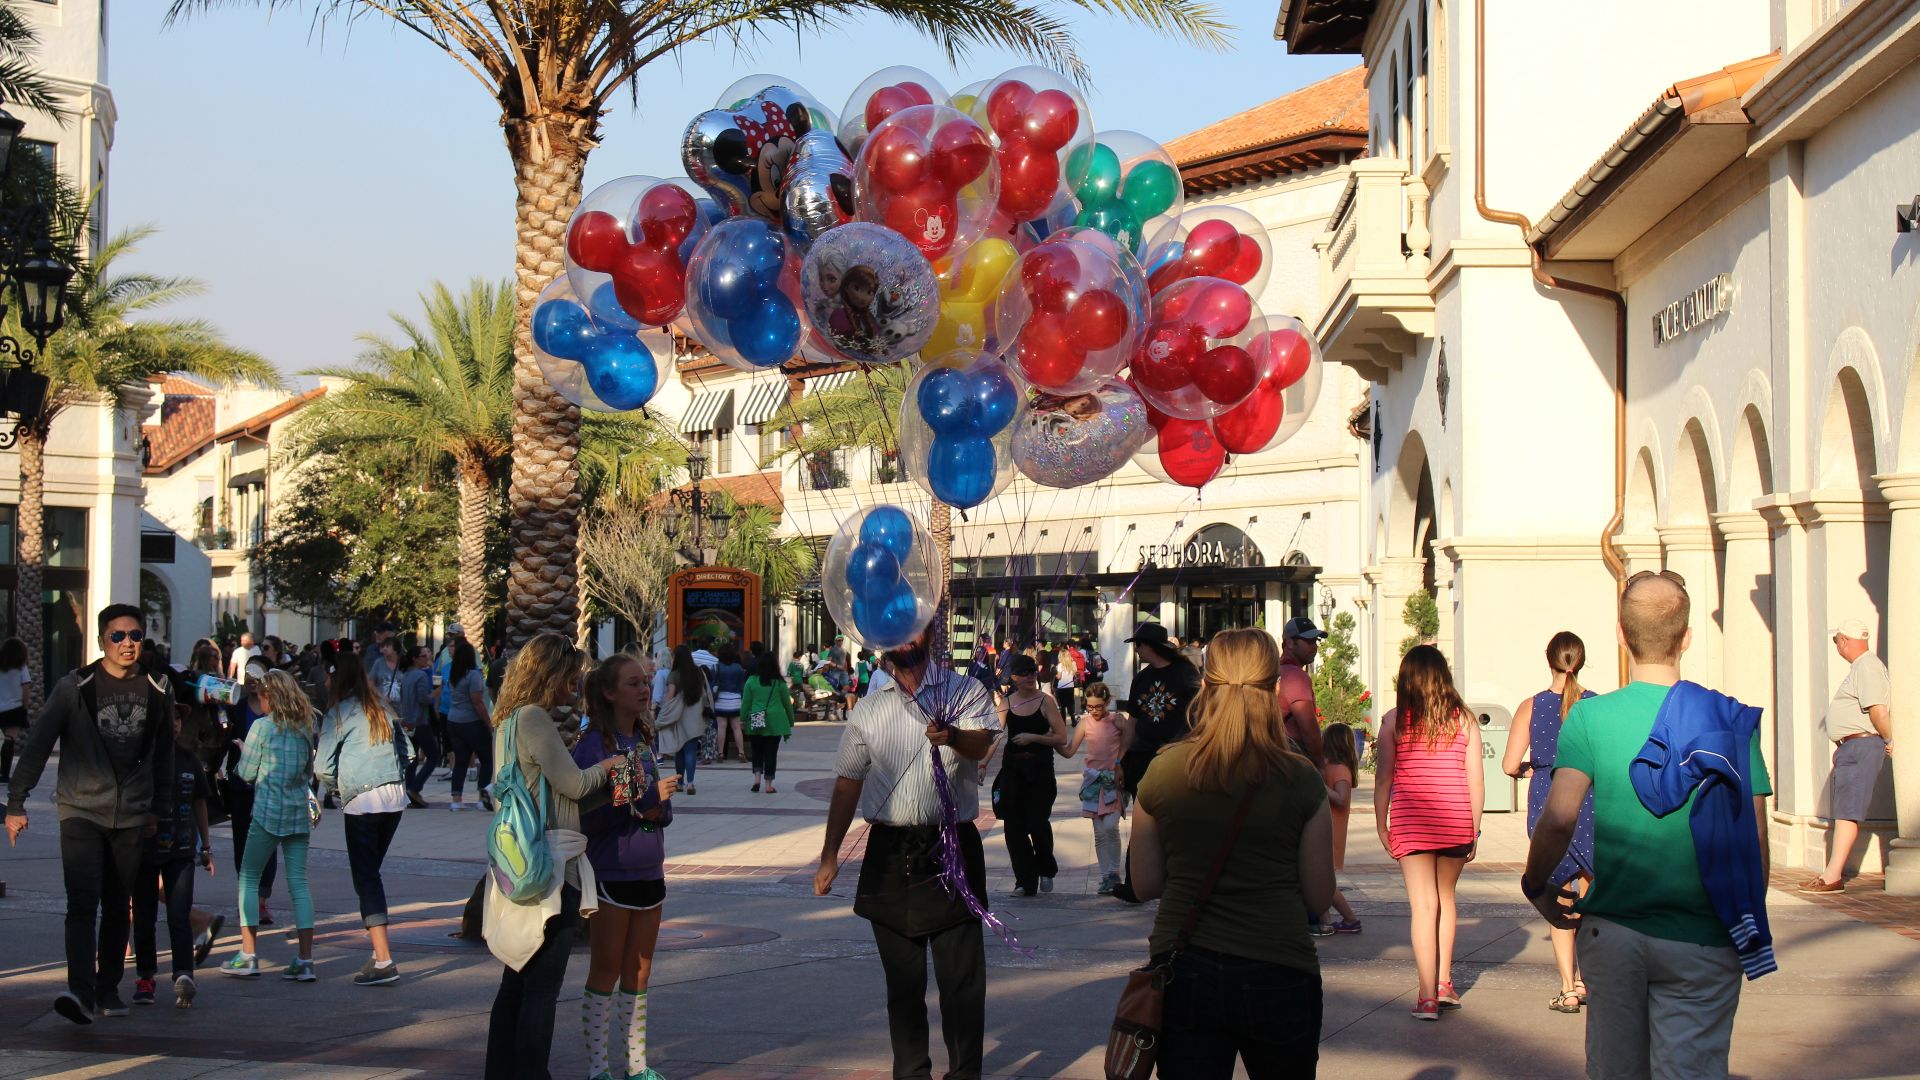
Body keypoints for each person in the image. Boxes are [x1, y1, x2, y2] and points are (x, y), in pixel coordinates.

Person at [1523, 570, 1773, 1079]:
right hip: (1702, 933)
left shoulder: (1591, 719)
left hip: (1614, 930)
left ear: (1621, 633)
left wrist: (1537, 886)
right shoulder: (1729, 719)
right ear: (1687, 637)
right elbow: (1754, 840)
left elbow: (1559, 819)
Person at [1129, 627, 1335, 1076]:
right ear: (1274, 690)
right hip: (1280, 966)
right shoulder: (1300, 778)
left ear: (1205, 685)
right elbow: (1320, 897)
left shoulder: (1165, 768)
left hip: (1185, 968)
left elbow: (1144, 884)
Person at [815, 625, 1000, 1080]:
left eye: (915, 631)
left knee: (961, 985)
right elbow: (847, 782)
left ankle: (964, 1074)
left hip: (952, 846)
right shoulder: (870, 710)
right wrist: (830, 853)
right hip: (890, 853)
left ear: (932, 632)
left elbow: (982, 744)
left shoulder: (966, 690)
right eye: (896, 634)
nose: (907, 642)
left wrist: (953, 735)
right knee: (903, 986)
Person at [6, 604, 178, 1023]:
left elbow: (165, 754)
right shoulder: (75, 686)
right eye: (118, 636)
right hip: (81, 807)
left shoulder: (158, 687)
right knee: (83, 902)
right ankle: (80, 992)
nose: (127, 644)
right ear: (102, 641)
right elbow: (39, 742)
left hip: (132, 814)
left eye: (135, 636)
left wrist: (161, 809)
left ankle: (107, 990)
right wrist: (16, 803)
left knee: (119, 905)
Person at [481, 633, 620, 1080]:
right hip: (551, 863)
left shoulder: (506, 722)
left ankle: (500, 1071)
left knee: (516, 981)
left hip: (516, 860)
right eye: (571, 677)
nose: (574, 687)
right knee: (541, 987)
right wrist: (610, 768)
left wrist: (607, 797)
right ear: (552, 674)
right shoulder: (535, 719)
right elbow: (574, 786)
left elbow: (549, 795)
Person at [574, 653, 678, 1080]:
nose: (643, 689)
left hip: (649, 870)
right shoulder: (594, 747)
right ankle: (599, 1067)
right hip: (610, 872)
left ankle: (637, 1066)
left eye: (644, 682)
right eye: (633, 683)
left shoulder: (644, 743)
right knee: (607, 967)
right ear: (609, 692)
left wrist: (656, 806)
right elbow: (588, 816)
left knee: (640, 969)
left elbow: (660, 810)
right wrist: (646, 800)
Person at [1374, 644, 1483, 1020]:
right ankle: (1445, 982)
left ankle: (1426, 997)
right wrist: (1476, 826)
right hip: (1455, 819)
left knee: (1423, 906)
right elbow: (1475, 780)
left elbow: (1384, 778)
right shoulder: (1464, 720)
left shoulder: (1393, 721)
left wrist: (1380, 823)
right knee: (1446, 900)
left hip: (1411, 820)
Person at [1502, 631, 1597, 1011]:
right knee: (1591, 892)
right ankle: (1590, 979)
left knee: (1559, 893)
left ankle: (1567, 987)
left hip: (1548, 796)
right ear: (1582, 660)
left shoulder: (1532, 706)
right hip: (1590, 797)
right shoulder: (1595, 706)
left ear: (1549, 659)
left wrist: (1532, 769)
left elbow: (1509, 764)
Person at [316, 651, 412, 987]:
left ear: (335, 678)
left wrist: (335, 790)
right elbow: (409, 753)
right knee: (370, 873)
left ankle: (384, 959)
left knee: (367, 878)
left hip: (362, 798)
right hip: (394, 796)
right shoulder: (383, 707)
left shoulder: (338, 713)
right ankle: (377, 951)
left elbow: (322, 767)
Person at [221, 670, 319, 982]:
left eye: (262, 695)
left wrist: (242, 752)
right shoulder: (305, 727)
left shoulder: (261, 728)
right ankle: (305, 960)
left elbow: (246, 774)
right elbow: (308, 771)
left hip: (266, 813)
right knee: (299, 884)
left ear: (270, 697)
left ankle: (248, 955)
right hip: (296, 814)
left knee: (249, 878)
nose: (259, 700)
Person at [132, 691, 214, 1009]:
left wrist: (205, 846)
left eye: (179, 718)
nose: (176, 724)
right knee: (144, 916)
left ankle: (184, 975)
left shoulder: (189, 759)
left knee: (178, 915)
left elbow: (200, 804)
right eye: (170, 718)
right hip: (143, 849)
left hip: (181, 849)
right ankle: (145, 977)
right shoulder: (141, 759)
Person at [1112, 622, 1200, 904]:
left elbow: (1198, 713)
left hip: (1176, 757)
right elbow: (1133, 722)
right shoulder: (1141, 678)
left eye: (1138, 644)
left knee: (1175, 821)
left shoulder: (1185, 673)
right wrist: (1121, 759)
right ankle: (1134, 884)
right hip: (1142, 756)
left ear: (1150, 645)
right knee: (1143, 820)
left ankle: (1181, 881)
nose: (1136, 650)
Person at [1805, 616, 1894, 893]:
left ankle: (1832, 877)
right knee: (1845, 809)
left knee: (1847, 810)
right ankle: (1831, 874)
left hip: (1861, 745)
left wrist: (1890, 739)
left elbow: (1877, 709)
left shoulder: (1867, 666)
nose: (1836, 646)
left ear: (1844, 640)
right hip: (1853, 746)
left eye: (1836, 641)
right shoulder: (1863, 666)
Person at [993, 654, 1068, 896]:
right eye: (1024, 674)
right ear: (1013, 677)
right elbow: (994, 736)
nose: (1030, 677)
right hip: (1013, 770)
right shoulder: (1006, 703)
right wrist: (982, 763)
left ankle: (1046, 868)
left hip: (1040, 771)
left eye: (1033, 673)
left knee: (1037, 822)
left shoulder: (1046, 701)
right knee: (1013, 827)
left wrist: (1034, 738)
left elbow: (1061, 737)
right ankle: (1025, 880)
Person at [1059, 680, 1132, 894]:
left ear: (1107, 701)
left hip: (1112, 780)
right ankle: (1106, 876)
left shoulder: (1117, 720)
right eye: (1090, 706)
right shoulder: (1085, 723)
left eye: (1098, 706)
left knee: (1110, 826)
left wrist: (1123, 728)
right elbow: (1070, 750)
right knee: (1099, 832)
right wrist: (1050, 740)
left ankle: (1113, 873)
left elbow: (1130, 740)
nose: (1094, 711)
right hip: (1093, 781)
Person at [1319, 722, 1363, 934]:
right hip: (1324, 829)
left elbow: (1341, 799)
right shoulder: (1329, 767)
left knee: (1324, 882)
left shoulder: (1340, 770)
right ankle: (1325, 920)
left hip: (1331, 832)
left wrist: (1321, 784)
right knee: (1321, 877)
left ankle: (1350, 918)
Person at [655, 645, 710, 797]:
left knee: (679, 750)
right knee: (691, 750)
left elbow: (670, 696)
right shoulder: (698, 672)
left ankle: (680, 783)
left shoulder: (674, 674)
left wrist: (664, 711)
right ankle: (691, 783)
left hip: (679, 716)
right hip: (695, 714)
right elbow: (704, 694)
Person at [445, 638, 493, 811]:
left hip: (453, 720)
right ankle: (482, 797)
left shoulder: (453, 675)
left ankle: (456, 799)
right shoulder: (473, 675)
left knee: (461, 760)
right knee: (487, 759)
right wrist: (488, 722)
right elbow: (477, 701)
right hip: (471, 722)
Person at [741, 650, 795, 793]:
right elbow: (787, 704)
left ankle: (756, 779)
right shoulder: (779, 683)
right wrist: (790, 720)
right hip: (775, 722)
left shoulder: (751, 681)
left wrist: (742, 719)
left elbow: (746, 702)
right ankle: (768, 785)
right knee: (771, 753)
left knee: (756, 751)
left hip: (756, 718)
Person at [1278, 617, 1328, 766]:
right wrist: (1320, 766)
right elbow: (1309, 730)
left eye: (1316, 641)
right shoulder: (1295, 676)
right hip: (1292, 761)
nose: (1314, 647)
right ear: (1290, 643)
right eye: (1308, 641)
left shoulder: (1275, 671)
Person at [399, 646, 438, 808]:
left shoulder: (405, 676)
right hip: (420, 721)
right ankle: (415, 787)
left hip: (407, 721)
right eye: (422, 656)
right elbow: (424, 699)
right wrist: (436, 693)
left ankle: (409, 790)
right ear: (415, 659)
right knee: (434, 756)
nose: (426, 659)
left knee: (412, 758)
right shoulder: (420, 675)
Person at [0, 636, 30, 783]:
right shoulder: (21, 667)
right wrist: (25, 706)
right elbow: (25, 687)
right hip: (14, 708)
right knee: (9, 739)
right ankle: (4, 774)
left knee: (4, 739)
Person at [710, 645, 747, 764]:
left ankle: (720, 753)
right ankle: (741, 752)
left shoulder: (716, 667)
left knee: (721, 727)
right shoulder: (738, 668)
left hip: (721, 699)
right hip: (736, 699)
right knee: (737, 728)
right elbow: (742, 686)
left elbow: (712, 684)